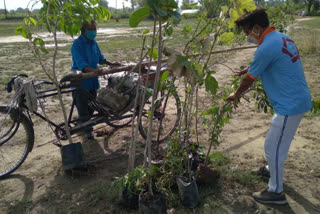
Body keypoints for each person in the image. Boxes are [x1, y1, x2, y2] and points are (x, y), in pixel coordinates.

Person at [227, 8, 312, 205]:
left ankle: (276, 192)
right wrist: (248, 69)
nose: (248, 36)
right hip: (296, 99)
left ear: (257, 27)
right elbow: (270, 62)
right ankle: (270, 170)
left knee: (273, 147)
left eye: (248, 31)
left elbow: (250, 79)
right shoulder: (281, 37)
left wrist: (236, 94)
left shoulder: (265, 47)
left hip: (289, 106)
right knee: (276, 144)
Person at [71, 20, 121, 140]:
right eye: (90, 29)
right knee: (83, 109)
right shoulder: (77, 44)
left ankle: (83, 126)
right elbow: (80, 63)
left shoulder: (93, 43)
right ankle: (87, 131)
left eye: (94, 29)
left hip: (92, 82)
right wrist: (93, 70)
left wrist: (111, 63)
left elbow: (100, 58)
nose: (93, 32)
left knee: (91, 107)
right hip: (80, 82)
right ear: (84, 30)